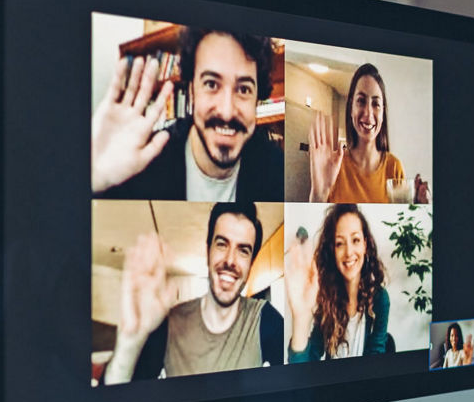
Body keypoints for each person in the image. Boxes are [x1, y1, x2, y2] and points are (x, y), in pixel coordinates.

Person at [91, 28, 283, 202]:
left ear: (257, 98)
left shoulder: (276, 170)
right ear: (191, 91)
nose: (226, 111)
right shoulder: (144, 163)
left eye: (243, 89)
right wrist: (96, 177)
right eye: (211, 84)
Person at [102, 202, 284, 383]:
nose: (230, 260)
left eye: (243, 251)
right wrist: (129, 341)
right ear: (208, 250)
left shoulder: (265, 319)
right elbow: (114, 401)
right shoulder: (170, 324)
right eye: (222, 244)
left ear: (251, 263)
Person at [286, 204, 390, 360]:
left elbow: (375, 360)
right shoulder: (327, 300)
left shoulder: (380, 299)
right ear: (332, 250)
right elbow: (306, 364)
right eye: (340, 243)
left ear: (365, 245)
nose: (348, 252)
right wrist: (300, 318)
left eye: (355, 240)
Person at [308, 63, 406, 203]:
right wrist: (319, 193)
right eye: (361, 101)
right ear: (351, 107)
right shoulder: (334, 166)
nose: (368, 113)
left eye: (375, 104)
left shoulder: (394, 167)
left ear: (383, 112)